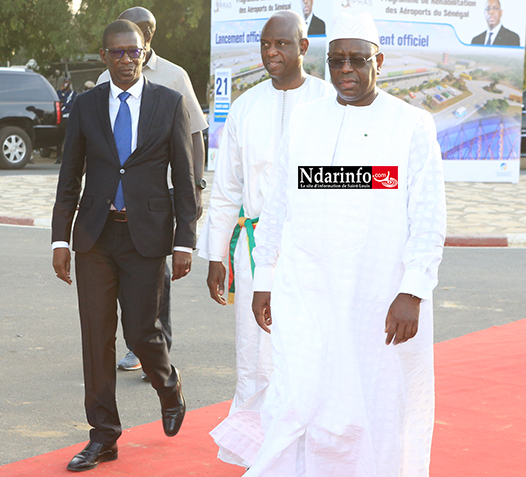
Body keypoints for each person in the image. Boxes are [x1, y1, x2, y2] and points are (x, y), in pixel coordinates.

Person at [234, 12, 446, 474]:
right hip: (307, 292)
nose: (345, 69)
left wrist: (412, 291)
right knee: (303, 395)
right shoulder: (306, 121)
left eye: (356, 59)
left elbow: (427, 217)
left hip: (379, 298)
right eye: (336, 60)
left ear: (379, 61)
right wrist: (264, 278)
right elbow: (278, 209)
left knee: (377, 402)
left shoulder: (410, 124)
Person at [51, 19, 196, 472]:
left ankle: (168, 385)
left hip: (147, 235)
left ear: (145, 50)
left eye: (133, 51)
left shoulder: (169, 103)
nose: (126, 59)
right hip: (95, 235)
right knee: (96, 338)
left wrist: (185, 242)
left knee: (141, 332)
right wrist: (60, 237)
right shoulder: (88, 105)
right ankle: (104, 437)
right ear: (103, 57)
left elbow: (185, 178)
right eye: (117, 52)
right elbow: (70, 175)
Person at [197, 10, 334, 468]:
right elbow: (227, 186)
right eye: (266, 45)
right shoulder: (245, 106)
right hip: (253, 247)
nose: (272, 53)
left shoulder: (329, 101)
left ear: (304, 48)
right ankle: (257, 456)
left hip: (313, 247)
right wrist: (216, 254)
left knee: (309, 350)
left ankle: (309, 455)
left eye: (282, 45)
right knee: (255, 355)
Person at [97, 6, 209, 375]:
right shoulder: (105, 78)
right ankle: (136, 346)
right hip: (113, 204)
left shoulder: (174, 76)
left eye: (145, 29)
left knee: (154, 283)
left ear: (151, 36)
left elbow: (193, 131)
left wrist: (195, 185)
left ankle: (157, 352)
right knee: (120, 283)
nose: (139, 34)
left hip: (157, 199)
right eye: (133, 28)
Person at [54, 78, 78, 164]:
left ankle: (69, 158)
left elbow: (73, 104)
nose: (65, 84)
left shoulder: (73, 94)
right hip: (61, 118)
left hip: (69, 118)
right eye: (64, 82)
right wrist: (61, 91)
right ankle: (58, 157)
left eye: (67, 82)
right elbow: (57, 100)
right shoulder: (60, 93)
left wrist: (65, 104)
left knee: (69, 139)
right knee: (59, 138)